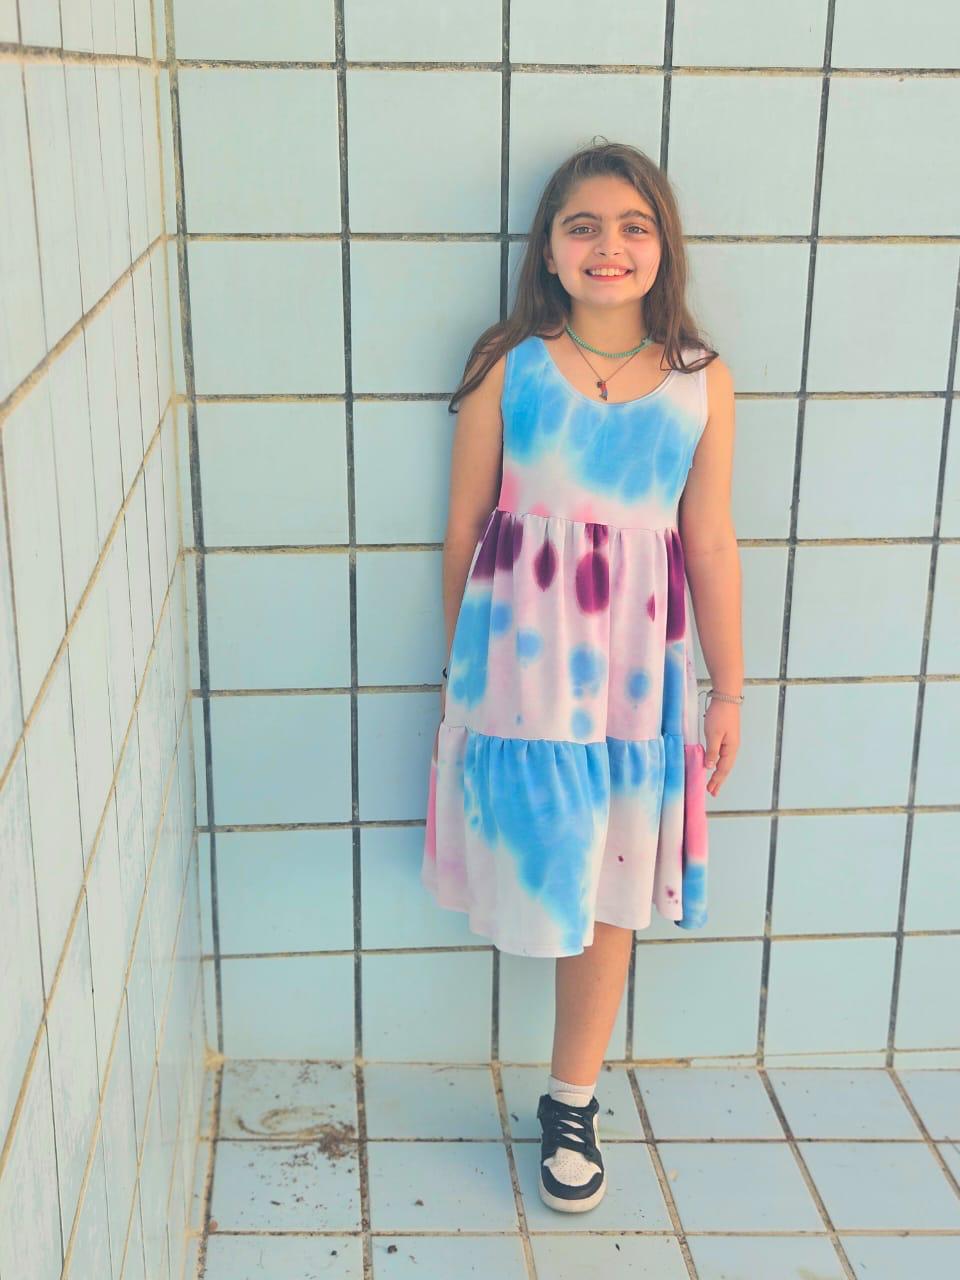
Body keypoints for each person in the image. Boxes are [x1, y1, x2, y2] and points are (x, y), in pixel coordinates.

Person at [421, 140, 742, 1213]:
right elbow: (466, 526)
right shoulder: (508, 363)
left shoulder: (700, 381)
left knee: (612, 876)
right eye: (584, 226)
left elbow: (711, 543)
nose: (610, 245)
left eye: (633, 225)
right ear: (550, 251)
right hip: (522, 670)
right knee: (543, 849)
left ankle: (572, 1097)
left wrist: (730, 689)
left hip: (639, 676)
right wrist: (467, 668)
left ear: (664, 247)